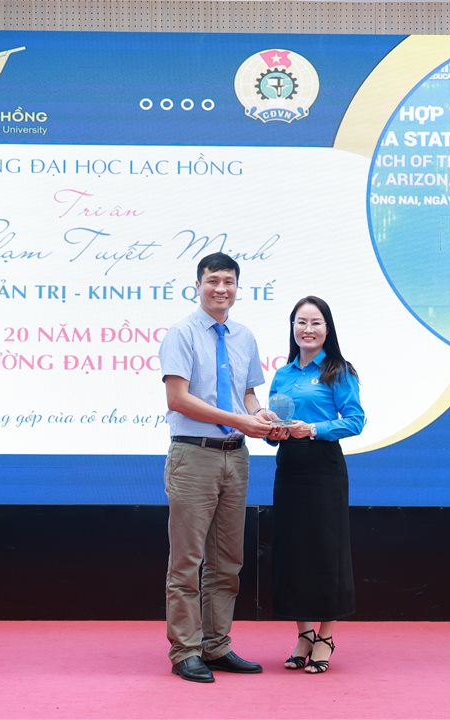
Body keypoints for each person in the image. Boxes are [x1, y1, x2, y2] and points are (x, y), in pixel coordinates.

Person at [158, 252, 286, 683]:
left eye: (228, 281)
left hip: (236, 455)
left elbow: (246, 395)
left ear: (237, 287)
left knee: (228, 560)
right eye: (213, 281)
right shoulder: (182, 333)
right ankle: (185, 650)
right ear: (197, 285)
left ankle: (215, 645)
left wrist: (260, 415)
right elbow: (178, 399)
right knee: (187, 561)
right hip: (194, 454)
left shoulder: (244, 336)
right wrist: (241, 420)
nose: (221, 289)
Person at [267, 296, 365, 674]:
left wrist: (313, 429)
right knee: (294, 551)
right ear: (293, 327)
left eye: (315, 322)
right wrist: (272, 431)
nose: (308, 329)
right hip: (289, 467)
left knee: (326, 551)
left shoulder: (338, 370)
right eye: (301, 322)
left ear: (327, 328)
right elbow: (274, 428)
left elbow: (355, 421)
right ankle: (303, 633)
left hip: (324, 467)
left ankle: (326, 635)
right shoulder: (283, 374)